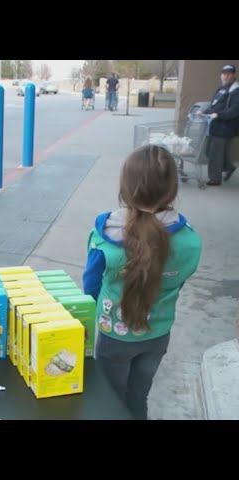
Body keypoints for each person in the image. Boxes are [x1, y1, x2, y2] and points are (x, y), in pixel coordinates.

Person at [82, 145, 202, 420]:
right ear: (172, 190)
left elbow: (90, 287)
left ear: (125, 188)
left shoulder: (104, 236)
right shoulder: (190, 241)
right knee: (139, 395)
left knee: (111, 397)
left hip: (114, 335)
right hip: (158, 334)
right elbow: (178, 282)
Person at [201, 64, 239, 186]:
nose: (225, 76)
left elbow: (235, 110)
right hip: (214, 126)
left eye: (228, 73)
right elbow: (214, 106)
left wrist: (219, 115)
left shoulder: (236, 91)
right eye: (223, 73)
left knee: (215, 154)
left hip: (225, 127)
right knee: (208, 151)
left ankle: (215, 179)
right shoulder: (221, 89)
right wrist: (204, 112)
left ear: (234, 75)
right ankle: (228, 167)